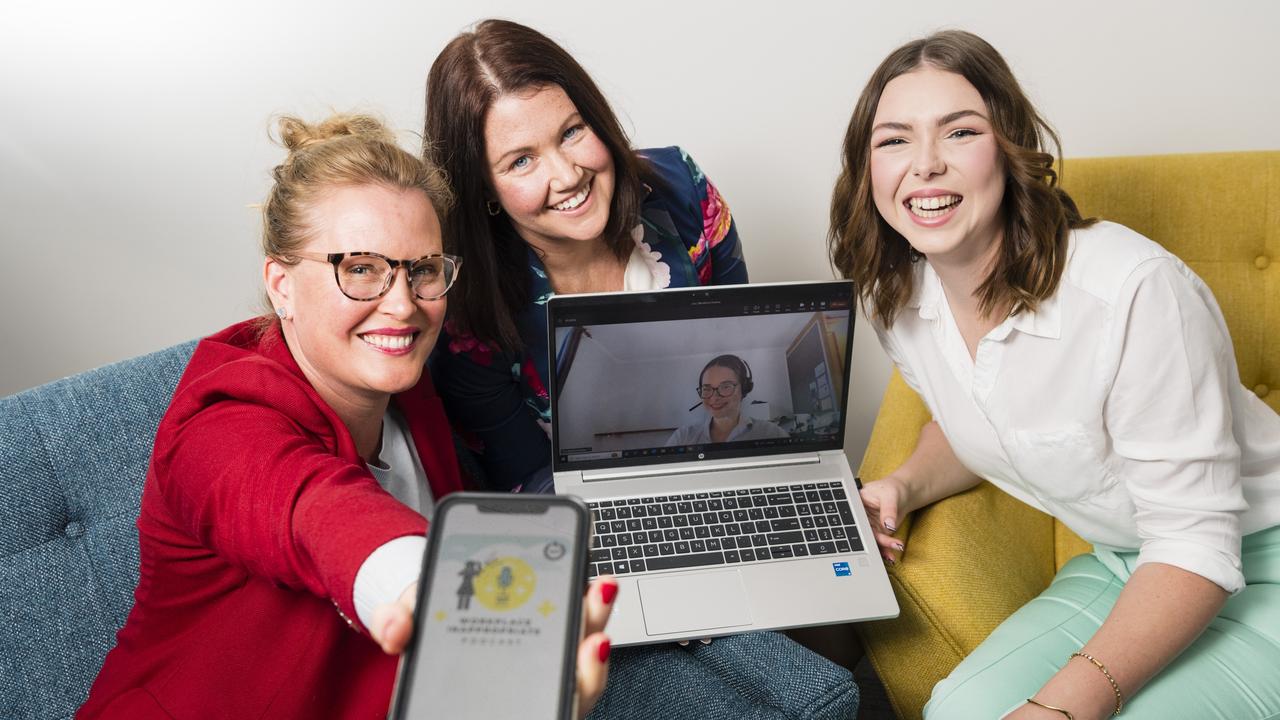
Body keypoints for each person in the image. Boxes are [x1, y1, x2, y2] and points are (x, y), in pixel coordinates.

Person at [79, 114, 615, 719]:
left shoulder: (410, 383)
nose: (402, 304)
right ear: (281, 284)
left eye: (423, 270)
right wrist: (445, 600)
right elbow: (313, 507)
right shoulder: (217, 424)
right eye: (360, 268)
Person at [829, 30, 1280, 720]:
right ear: (867, 171)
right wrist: (901, 484)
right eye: (894, 140)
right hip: (1124, 561)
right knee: (954, 711)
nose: (924, 165)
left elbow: (1197, 548)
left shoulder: (1132, 293)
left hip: (1250, 565)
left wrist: (1062, 708)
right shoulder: (901, 301)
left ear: (1009, 150)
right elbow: (976, 419)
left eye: (958, 132)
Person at [423, 19, 748, 493]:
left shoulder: (684, 191)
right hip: (593, 516)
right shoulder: (468, 325)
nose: (567, 175)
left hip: (729, 473)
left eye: (571, 132)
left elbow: (744, 332)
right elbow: (525, 481)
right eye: (521, 160)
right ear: (483, 188)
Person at [666, 354, 789, 446]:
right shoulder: (683, 437)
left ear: (744, 389)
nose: (714, 397)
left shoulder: (772, 434)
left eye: (725, 387)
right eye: (707, 388)